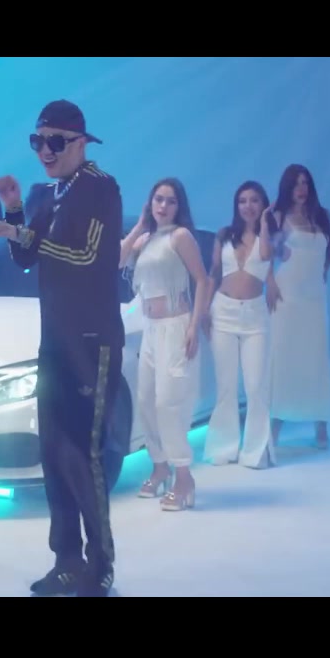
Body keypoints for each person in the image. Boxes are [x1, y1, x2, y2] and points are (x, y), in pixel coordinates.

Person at [0, 99, 124, 597]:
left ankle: (99, 566)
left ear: (81, 143)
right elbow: (25, 256)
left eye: (55, 142)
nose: (45, 150)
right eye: (37, 141)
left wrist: (19, 230)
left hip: (92, 342)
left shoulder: (101, 188)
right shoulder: (44, 192)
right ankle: (66, 560)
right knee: (55, 452)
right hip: (55, 341)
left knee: (85, 454)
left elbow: (86, 255)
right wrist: (15, 209)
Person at [118, 178, 211, 510]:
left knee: (169, 404)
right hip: (151, 330)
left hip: (175, 327)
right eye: (158, 199)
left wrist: (194, 325)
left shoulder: (180, 236)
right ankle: (159, 468)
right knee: (146, 401)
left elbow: (202, 279)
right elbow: (116, 260)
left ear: (178, 206)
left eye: (170, 201)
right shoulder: (146, 239)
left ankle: (183, 477)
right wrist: (138, 227)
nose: (163, 206)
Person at [202, 180, 279, 469]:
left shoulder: (269, 236)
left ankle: (256, 451)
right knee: (225, 386)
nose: (248, 206)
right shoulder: (224, 235)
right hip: (223, 312)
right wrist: (204, 309)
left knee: (256, 386)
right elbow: (214, 273)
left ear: (263, 205)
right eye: (243, 201)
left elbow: (267, 257)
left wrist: (265, 224)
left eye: (254, 200)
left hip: (255, 317)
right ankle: (224, 446)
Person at [266, 164, 330, 450]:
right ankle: (275, 426)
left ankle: (321, 425)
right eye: (295, 183)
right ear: (287, 187)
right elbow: (267, 254)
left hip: (314, 297)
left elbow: (329, 252)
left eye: (305, 183)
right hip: (288, 295)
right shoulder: (279, 216)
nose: (301, 188)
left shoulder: (322, 216)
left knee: (317, 357)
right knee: (284, 356)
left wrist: (321, 274)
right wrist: (270, 282)